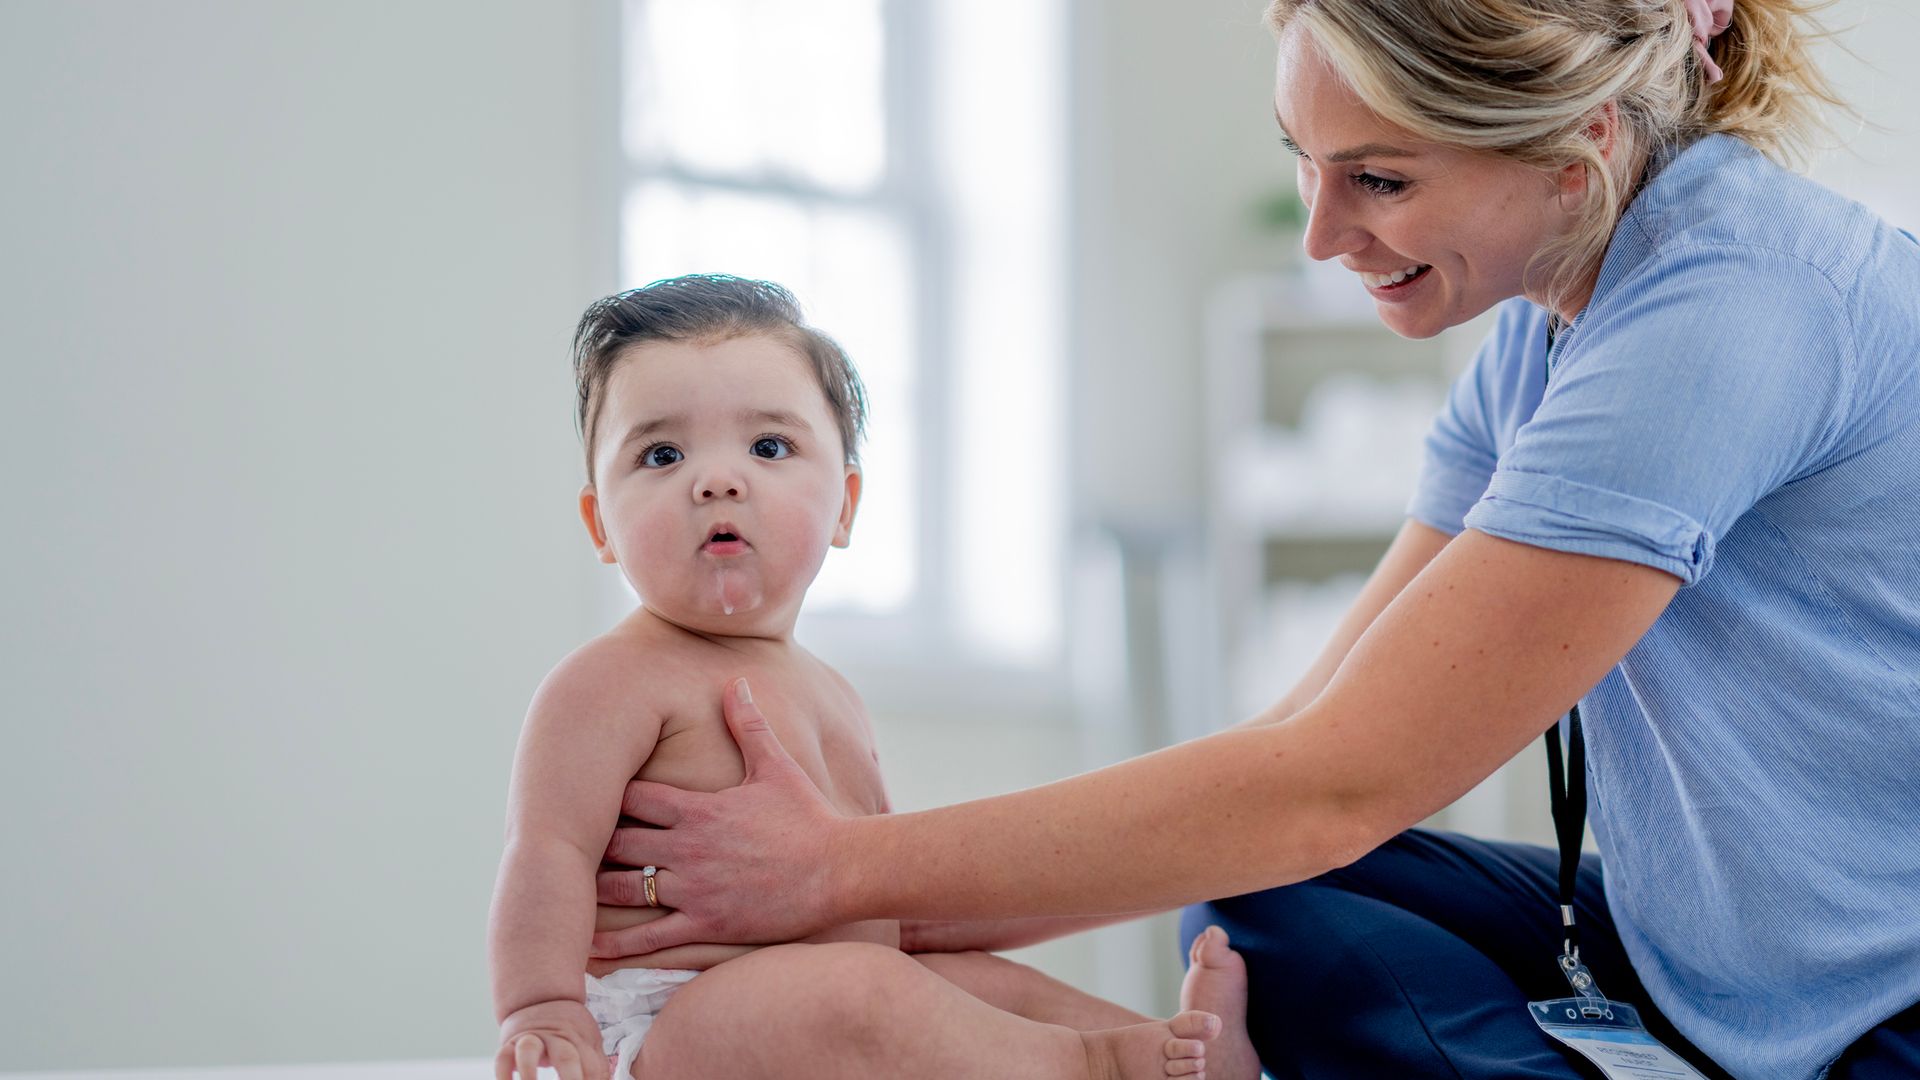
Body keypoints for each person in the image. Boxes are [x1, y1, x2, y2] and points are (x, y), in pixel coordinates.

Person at [585, 3, 1920, 1079]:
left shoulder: (1736, 303)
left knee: (1282, 848)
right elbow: (1303, 740)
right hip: (1707, 968)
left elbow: (1339, 783)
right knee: (1257, 900)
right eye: (1305, 160)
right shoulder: (1548, 331)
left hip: (1883, 1001)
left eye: (1379, 178)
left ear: (1576, 146)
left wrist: (829, 874)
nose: (1323, 233)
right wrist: (855, 918)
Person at [488, 274, 1255, 1080]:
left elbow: (882, 900)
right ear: (600, 524)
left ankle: (1181, 1052)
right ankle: (1097, 1067)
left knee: (977, 983)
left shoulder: (834, 694)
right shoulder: (608, 681)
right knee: (864, 990)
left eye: (768, 447)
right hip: (671, 1020)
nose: (716, 480)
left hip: (838, 1008)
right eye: (662, 454)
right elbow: (546, 851)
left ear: (845, 506)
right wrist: (542, 1007)